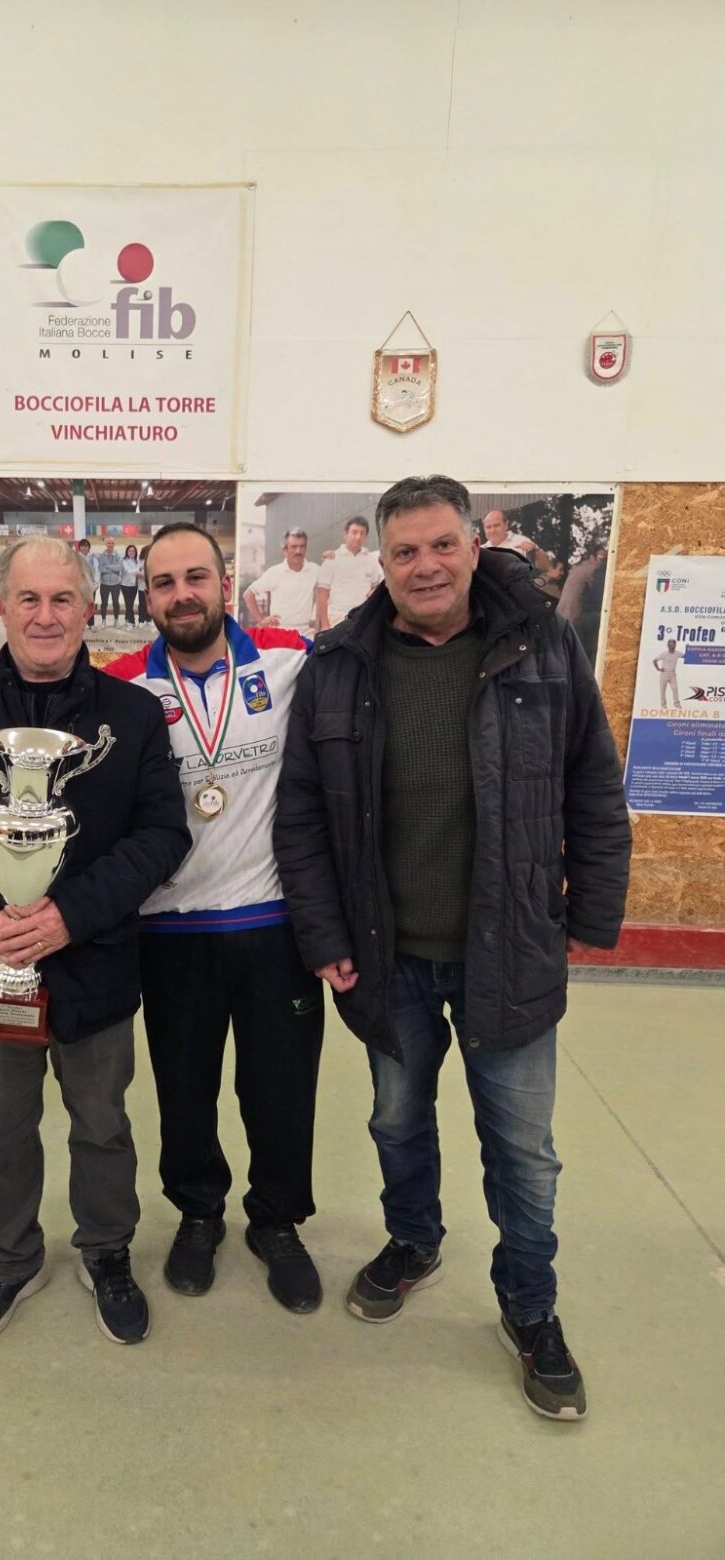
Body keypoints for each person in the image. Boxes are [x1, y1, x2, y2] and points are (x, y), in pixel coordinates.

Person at [274, 474, 631, 1422]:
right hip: (387, 952)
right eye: (405, 551)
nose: (425, 565)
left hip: (508, 947)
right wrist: (324, 934)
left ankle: (530, 1305)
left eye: (442, 545)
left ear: (474, 547)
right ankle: (414, 1240)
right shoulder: (339, 666)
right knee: (397, 1120)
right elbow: (300, 815)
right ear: (381, 563)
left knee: (523, 1148)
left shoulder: (543, 646)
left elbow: (594, 785)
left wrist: (592, 914)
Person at [0, 536, 191, 1347]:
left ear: (91, 609)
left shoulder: (132, 717)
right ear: (1, 608)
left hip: (94, 965)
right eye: (29, 598)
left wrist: (68, 916)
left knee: (102, 1124)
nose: (46, 616)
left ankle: (107, 1251)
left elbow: (162, 836)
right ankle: (10, 1258)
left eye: (63, 599)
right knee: (0, 1129)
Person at [104, 523, 324, 1313]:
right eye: (164, 583)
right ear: (146, 596)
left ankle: (277, 1221)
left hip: (274, 926)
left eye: (195, 577)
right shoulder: (121, 685)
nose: (182, 595)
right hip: (170, 932)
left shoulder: (289, 656)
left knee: (280, 1090)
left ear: (225, 584)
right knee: (184, 1091)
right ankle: (199, 1213)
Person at [243, 528, 319, 633]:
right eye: (294, 547)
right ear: (285, 550)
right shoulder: (274, 572)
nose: (298, 551)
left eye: (302, 546)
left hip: (306, 632)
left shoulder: (315, 570)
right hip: (279, 632)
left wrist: (331, 557)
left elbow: (331, 587)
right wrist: (261, 619)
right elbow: (248, 594)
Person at [315, 516, 383, 629]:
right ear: (345, 534)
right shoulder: (331, 559)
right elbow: (322, 595)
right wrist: (325, 624)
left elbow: (373, 589)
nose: (358, 537)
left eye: (362, 533)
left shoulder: (371, 560)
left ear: (366, 537)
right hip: (336, 620)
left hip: (362, 619)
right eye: (354, 532)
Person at [98, 536, 124, 625]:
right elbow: (101, 569)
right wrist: (113, 568)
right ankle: (103, 620)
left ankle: (116, 620)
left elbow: (119, 568)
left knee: (115, 603)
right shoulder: (101, 556)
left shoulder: (118, 555)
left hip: (115, 584)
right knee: (104, 603)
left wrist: (108, 566)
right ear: (106, 544)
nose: (110, 545)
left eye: (112, 543)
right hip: (104, 584)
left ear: (114, 544)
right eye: (109, 543)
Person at [653, 638, 683, 709]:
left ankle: (676, 704)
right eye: (671, 645)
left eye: (673, 645)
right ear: (668, 646)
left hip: (672, 674)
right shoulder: (664, 654)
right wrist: (658, 669)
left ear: (675, 645)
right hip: (664, 674)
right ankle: (663, 705)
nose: (672, 647)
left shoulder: (678, 653)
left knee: (675, 689)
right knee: (662, 690)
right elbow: (654, 660)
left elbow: (687, 656)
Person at [120, 542, 141, 627]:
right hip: (125, 585)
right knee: (129, 604)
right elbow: (128, 571)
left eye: (133, 551)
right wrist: (138, 571)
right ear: (127, 552)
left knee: (130, 604)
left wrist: (138, 571)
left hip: (134, 586)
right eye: (130, 551)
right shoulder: (124, 561)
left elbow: (138, 571)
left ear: (135, 552)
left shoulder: (137, 561)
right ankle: (132, 622)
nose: (132, 552)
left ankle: (127, 618)